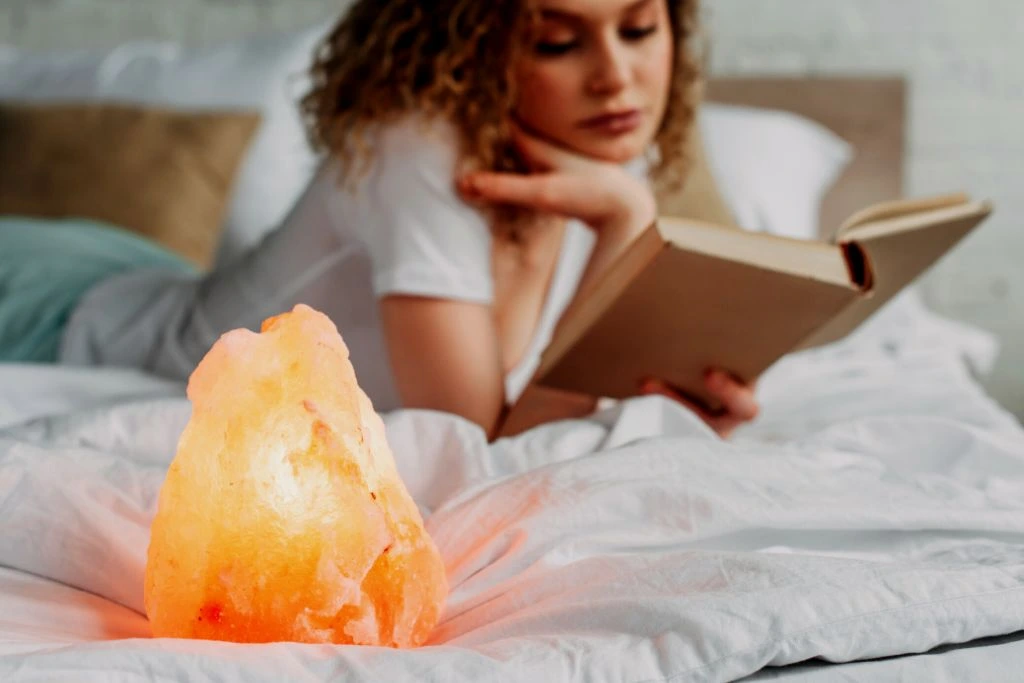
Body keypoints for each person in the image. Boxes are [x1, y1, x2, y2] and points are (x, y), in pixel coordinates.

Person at [59, 0, 759, 439]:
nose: (616, 76)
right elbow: (473, 439)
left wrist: (671, 411)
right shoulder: (415, 148)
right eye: (555, 41)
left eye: (640, 27)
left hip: (142, 276)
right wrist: (628, 221)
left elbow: (523, 418)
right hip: (65, 308)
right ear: (474, 49)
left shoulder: (595, 147)